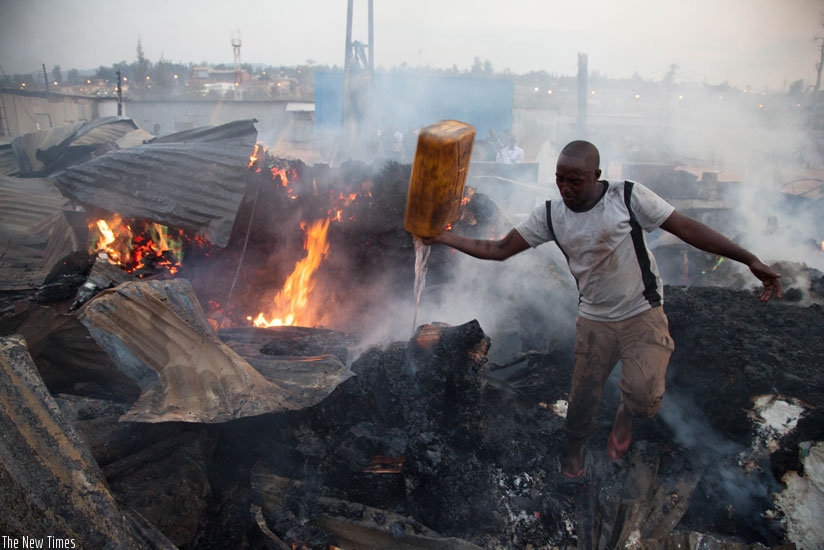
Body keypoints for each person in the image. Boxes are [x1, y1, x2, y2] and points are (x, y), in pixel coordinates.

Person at [422, 140, 782, 478]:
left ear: (596, 176)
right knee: (582, 399)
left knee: (644, 397)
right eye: (559, 179)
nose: (565, 188)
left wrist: (749, 259)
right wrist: (443, 236)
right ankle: (575, 449)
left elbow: (686, 227)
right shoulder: (550, 215)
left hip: (643, 310)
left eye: (575, 181)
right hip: (594, 319)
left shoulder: (625, 196)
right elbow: (499, 249)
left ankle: (625, 414)